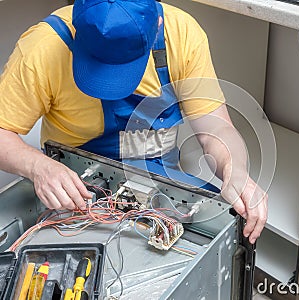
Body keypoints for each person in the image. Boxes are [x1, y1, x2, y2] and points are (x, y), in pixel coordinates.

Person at [0, 0, 267, 244]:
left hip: (162, 179)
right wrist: (39, 167)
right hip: (80, 190)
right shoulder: (42, 47)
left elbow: (216, 129)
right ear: (77, 22)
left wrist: (236, 169)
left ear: (157, 24)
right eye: (100, 65)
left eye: (125, 67)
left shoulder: (182, 34)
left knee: (218, 235)